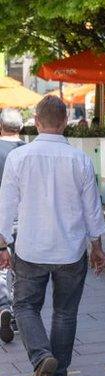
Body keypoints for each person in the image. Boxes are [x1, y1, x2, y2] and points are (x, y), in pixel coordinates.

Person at [0, 95, 105, 376]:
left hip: (31, 248)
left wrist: (2, 244)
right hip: (71, 250)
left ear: (36, 121)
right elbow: (92, 209)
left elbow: (5, 205)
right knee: (65, 312)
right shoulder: (80, 160)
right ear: (64, 123)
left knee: (24, 305)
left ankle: (40, 356)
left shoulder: (19, 158)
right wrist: (97, 245)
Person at [0, 108, 25, 344]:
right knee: (19, 269)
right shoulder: (28, 151)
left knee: (0, 268)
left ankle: (2, 307)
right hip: (25, 220)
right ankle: (16, 315)